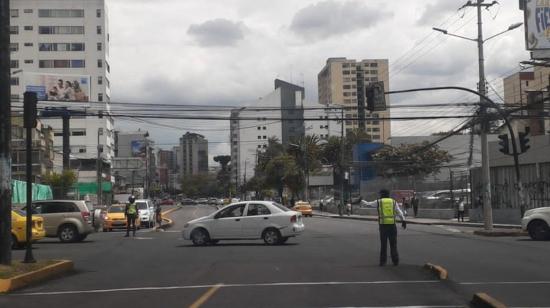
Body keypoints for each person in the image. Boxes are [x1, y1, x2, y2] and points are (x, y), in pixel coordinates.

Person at [360, 189, 406, 266]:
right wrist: (403, 221)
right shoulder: (393, 202)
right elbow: (399, 212)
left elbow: (368, 204)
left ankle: (383, 261)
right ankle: (395, 261)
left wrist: (361, 200)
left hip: (383, 226)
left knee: (383, 244)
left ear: (382, 194)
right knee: (393, 244)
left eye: (380, 194)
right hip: (392, 226)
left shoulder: (379, 201)